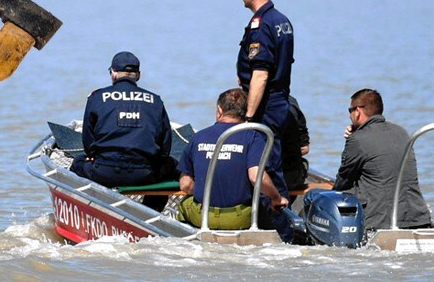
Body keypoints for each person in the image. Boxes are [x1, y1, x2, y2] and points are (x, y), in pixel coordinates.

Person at [229, 0, 294, 236]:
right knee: (273, 163)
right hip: (280, 101)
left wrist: (249, 116)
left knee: (267, 169)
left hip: (265, 106)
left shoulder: (262, 24)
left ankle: (286, 233)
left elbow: (260, 74)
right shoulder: (282, 20)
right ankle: (281, 226)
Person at [176, 88, 288, 230]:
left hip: (203, 217)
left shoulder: (199, 137)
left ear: (219, 111)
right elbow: (256, 176)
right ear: (245, 112)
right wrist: (276, 198)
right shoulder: (253, 137)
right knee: (262, 205)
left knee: (184, 205)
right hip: (239, 219)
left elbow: (185, 185)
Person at [70, 51, 177, 191]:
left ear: (114, 73)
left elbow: (88, 142)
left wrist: (92, 155)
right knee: (172, 166)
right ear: (138, 75)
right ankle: (150, 210)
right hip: (144, 174)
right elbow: (165, 148)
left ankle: (90, 208)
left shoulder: (96, 97)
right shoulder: (155, 101)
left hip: (104, 171)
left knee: (78, 161)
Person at [333, 88, 432, 231]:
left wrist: (353, 138)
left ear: (358, 111)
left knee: (314, 197)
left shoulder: (358, 140)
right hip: (418, 217)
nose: (349, 115)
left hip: (381, 221)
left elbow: (343, 182)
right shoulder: (402, 132)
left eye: (350, 110)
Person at [281, 95, 310, 193]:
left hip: (276, 179)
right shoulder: (292, 101)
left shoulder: (249, 103)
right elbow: (305, 148)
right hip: (293, 178)